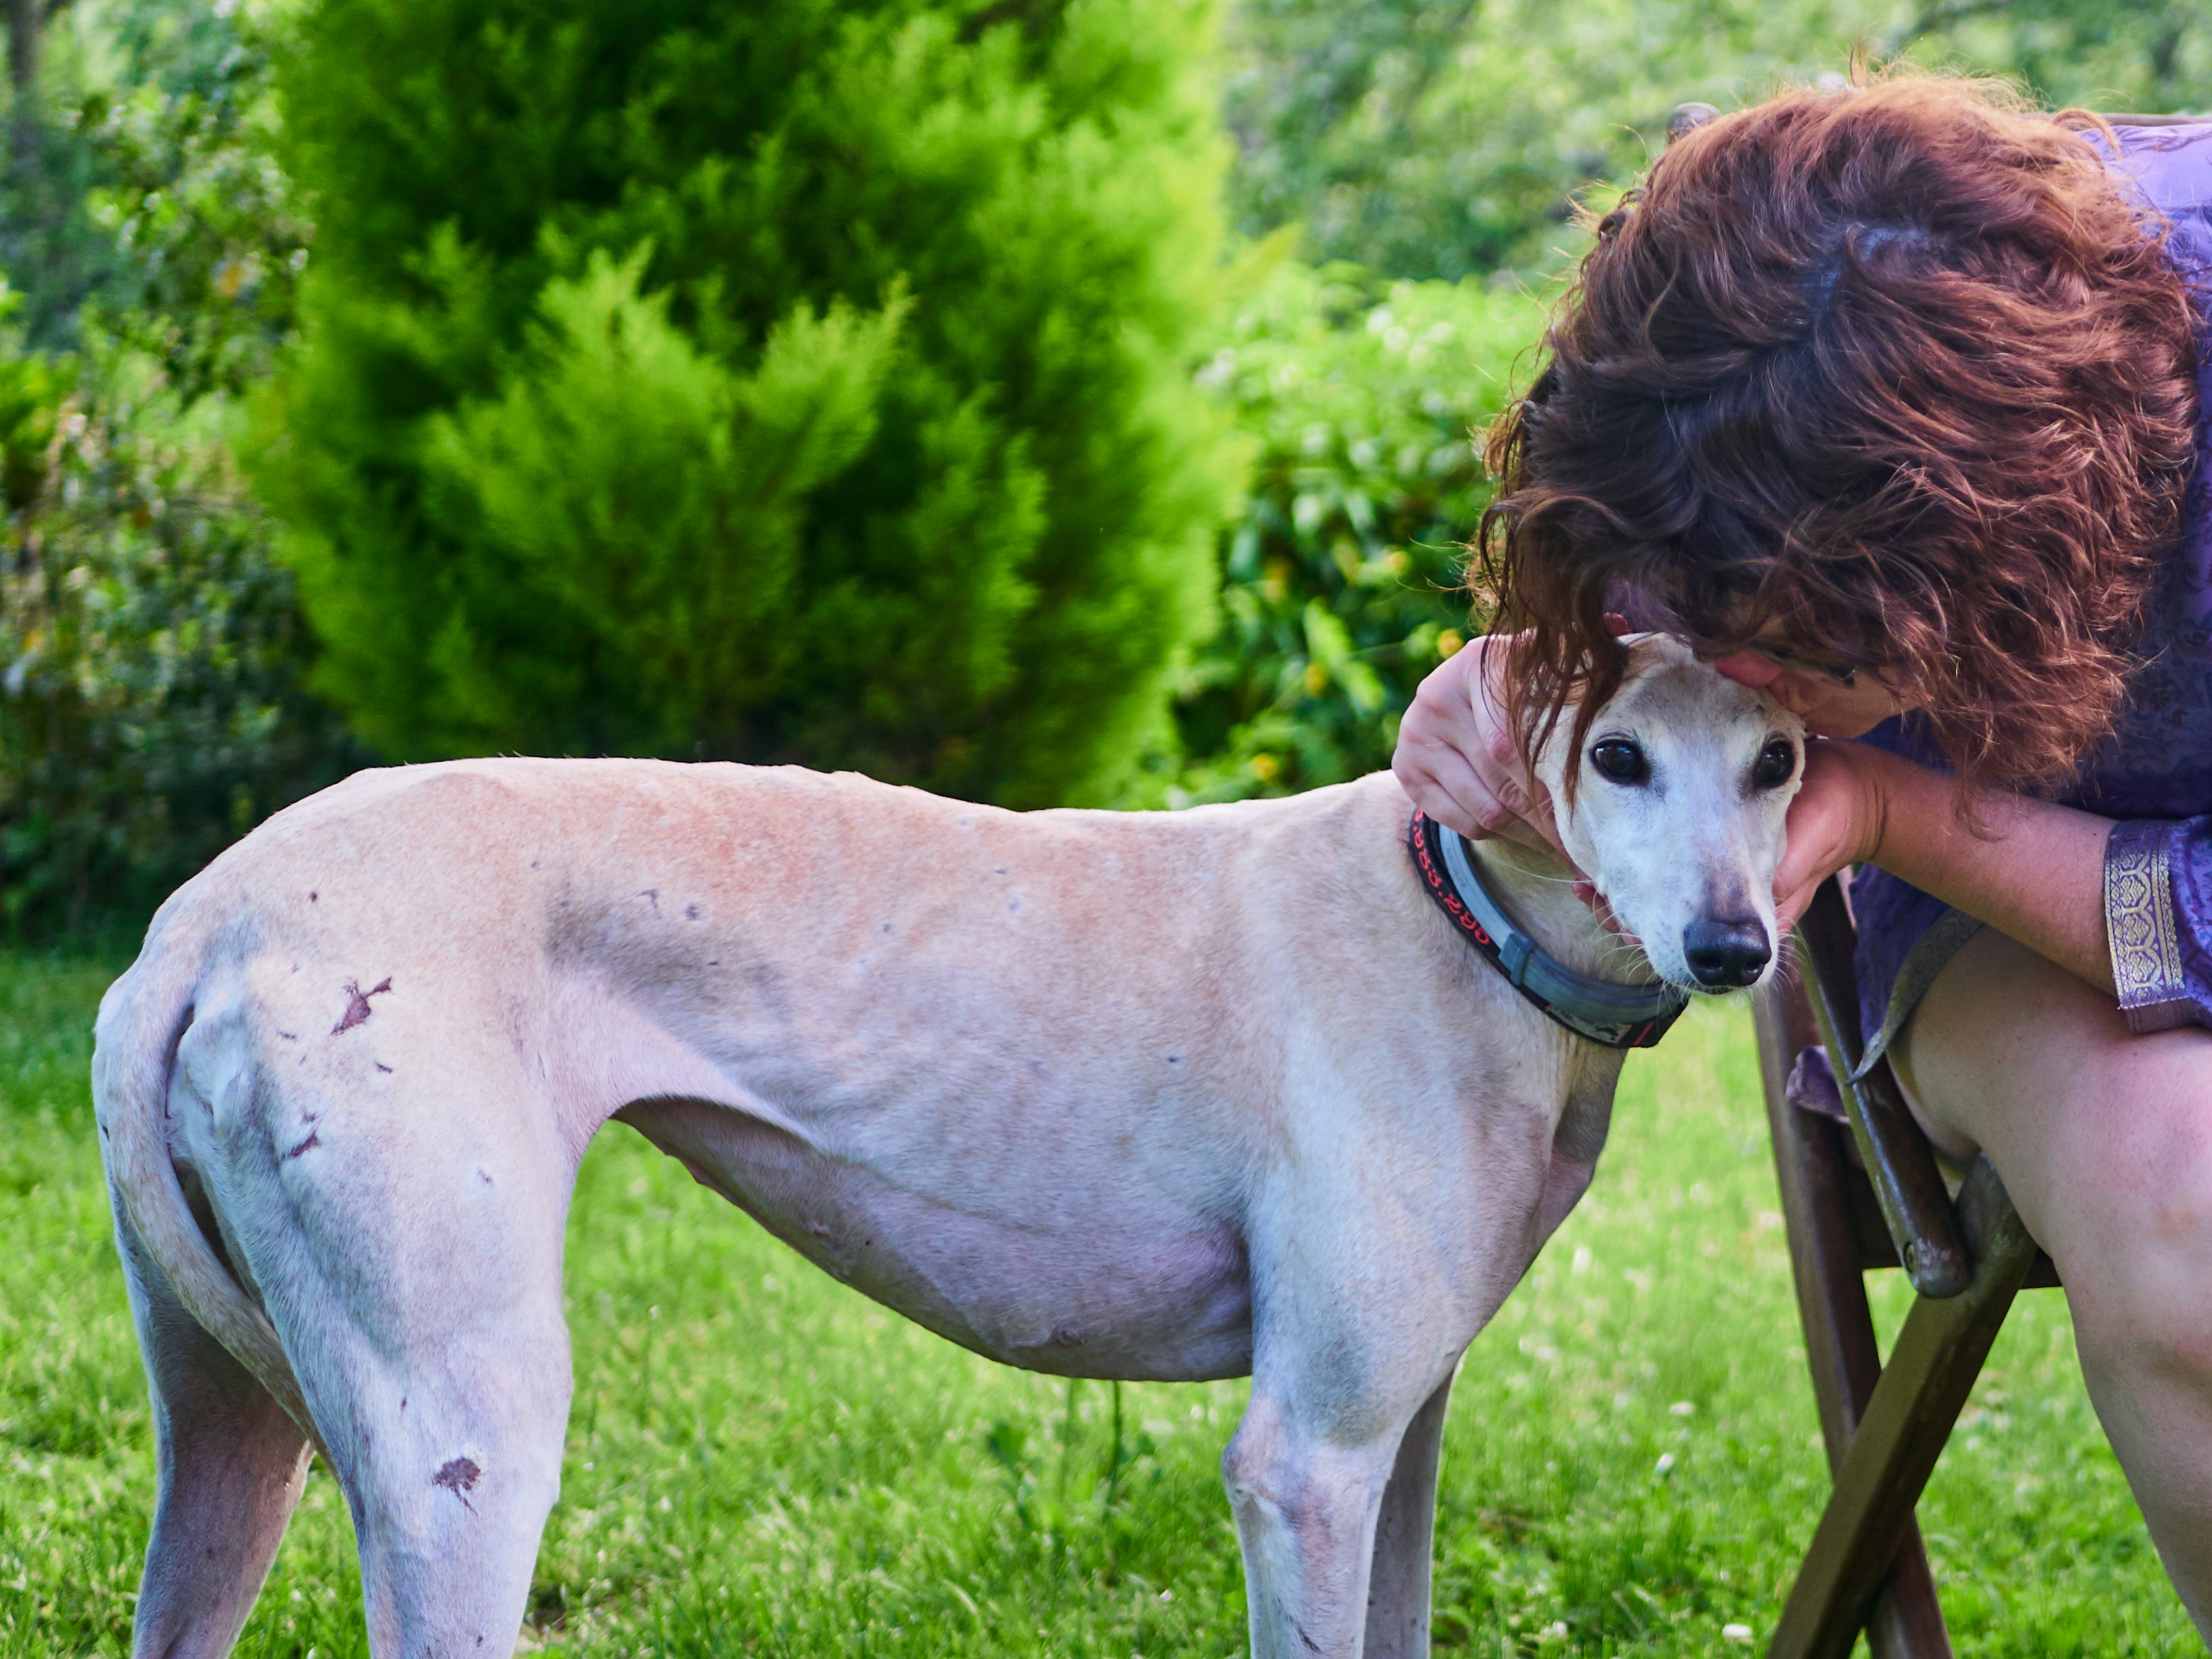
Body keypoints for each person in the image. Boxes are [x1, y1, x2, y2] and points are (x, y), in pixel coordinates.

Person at [1391, 74, 2212, 1632]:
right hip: (1987, 904)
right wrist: (1551, 677)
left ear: (2015, 546)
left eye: (1799, 644)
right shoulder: (1754, 358)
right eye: (1700, 614)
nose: (1731, 669)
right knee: (2192, 1199)